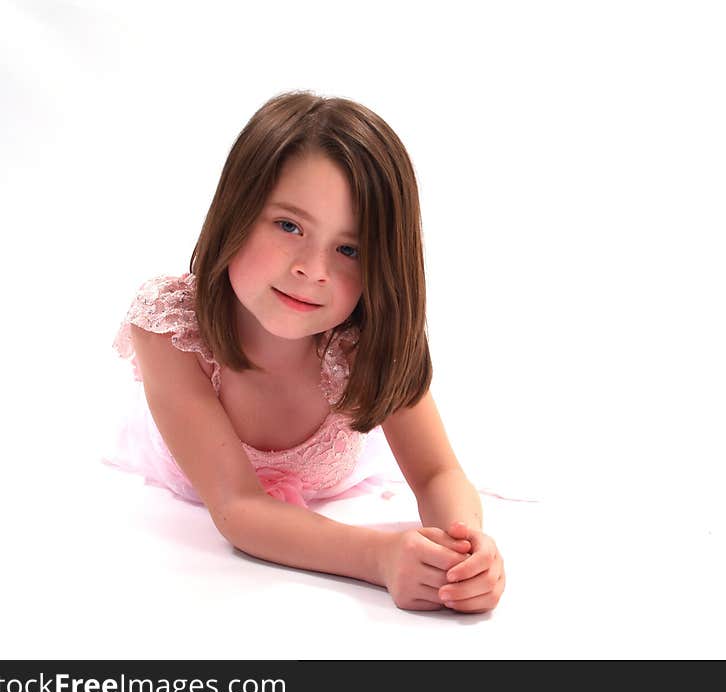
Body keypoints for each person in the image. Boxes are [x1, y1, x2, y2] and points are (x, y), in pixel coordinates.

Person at [105, 90, 505, 613]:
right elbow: (238, 507)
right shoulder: (171, 328)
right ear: (236, 211)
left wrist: (461, 549)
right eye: (289, 226)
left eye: (349, 249)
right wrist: (381, 557)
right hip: (205, 476)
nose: (312, 270)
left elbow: (437, 473)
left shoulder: (364, 343)